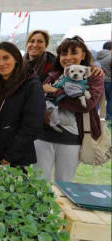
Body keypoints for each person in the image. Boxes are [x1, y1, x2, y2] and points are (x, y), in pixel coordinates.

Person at [34, 36, 104, 181]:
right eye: (64, 53)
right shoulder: (53, 76)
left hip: (72, 139)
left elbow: (86, 105)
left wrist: (55, 92)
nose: (68, 57)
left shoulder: (93, 77)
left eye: (74, 53)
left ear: (83, 55)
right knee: (38, 181)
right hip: (43, 136)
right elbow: (38, 100)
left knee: (64, 183)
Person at [0, 42, 45, 167]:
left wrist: (11, 157)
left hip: (15, 159)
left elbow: (31, 126)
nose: (1, 63)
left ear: (16, 58)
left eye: (6, 58)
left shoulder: (32, 85)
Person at [97, 41, 111, 123]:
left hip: (98, 80)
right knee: (110, 99)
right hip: (109, 81)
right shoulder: (110, 56)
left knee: (98, 99)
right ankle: (109, 117)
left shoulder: (96, 56)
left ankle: (94, 115)